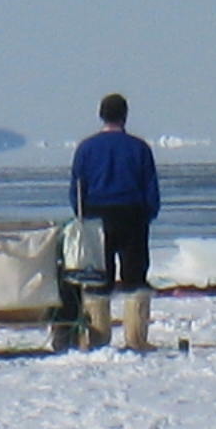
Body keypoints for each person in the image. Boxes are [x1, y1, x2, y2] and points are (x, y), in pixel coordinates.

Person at [69, 92, 160, 350]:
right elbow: (151, 189)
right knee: (135, 279)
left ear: (101, 115)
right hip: (132, 216)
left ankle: (98, 337)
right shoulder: (139, 148)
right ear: (125, 115)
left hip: (96, 218)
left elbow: (77, 189)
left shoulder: (86, 148)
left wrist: (82, 218)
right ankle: (136, 338)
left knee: (97, 279)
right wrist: (148, 215)